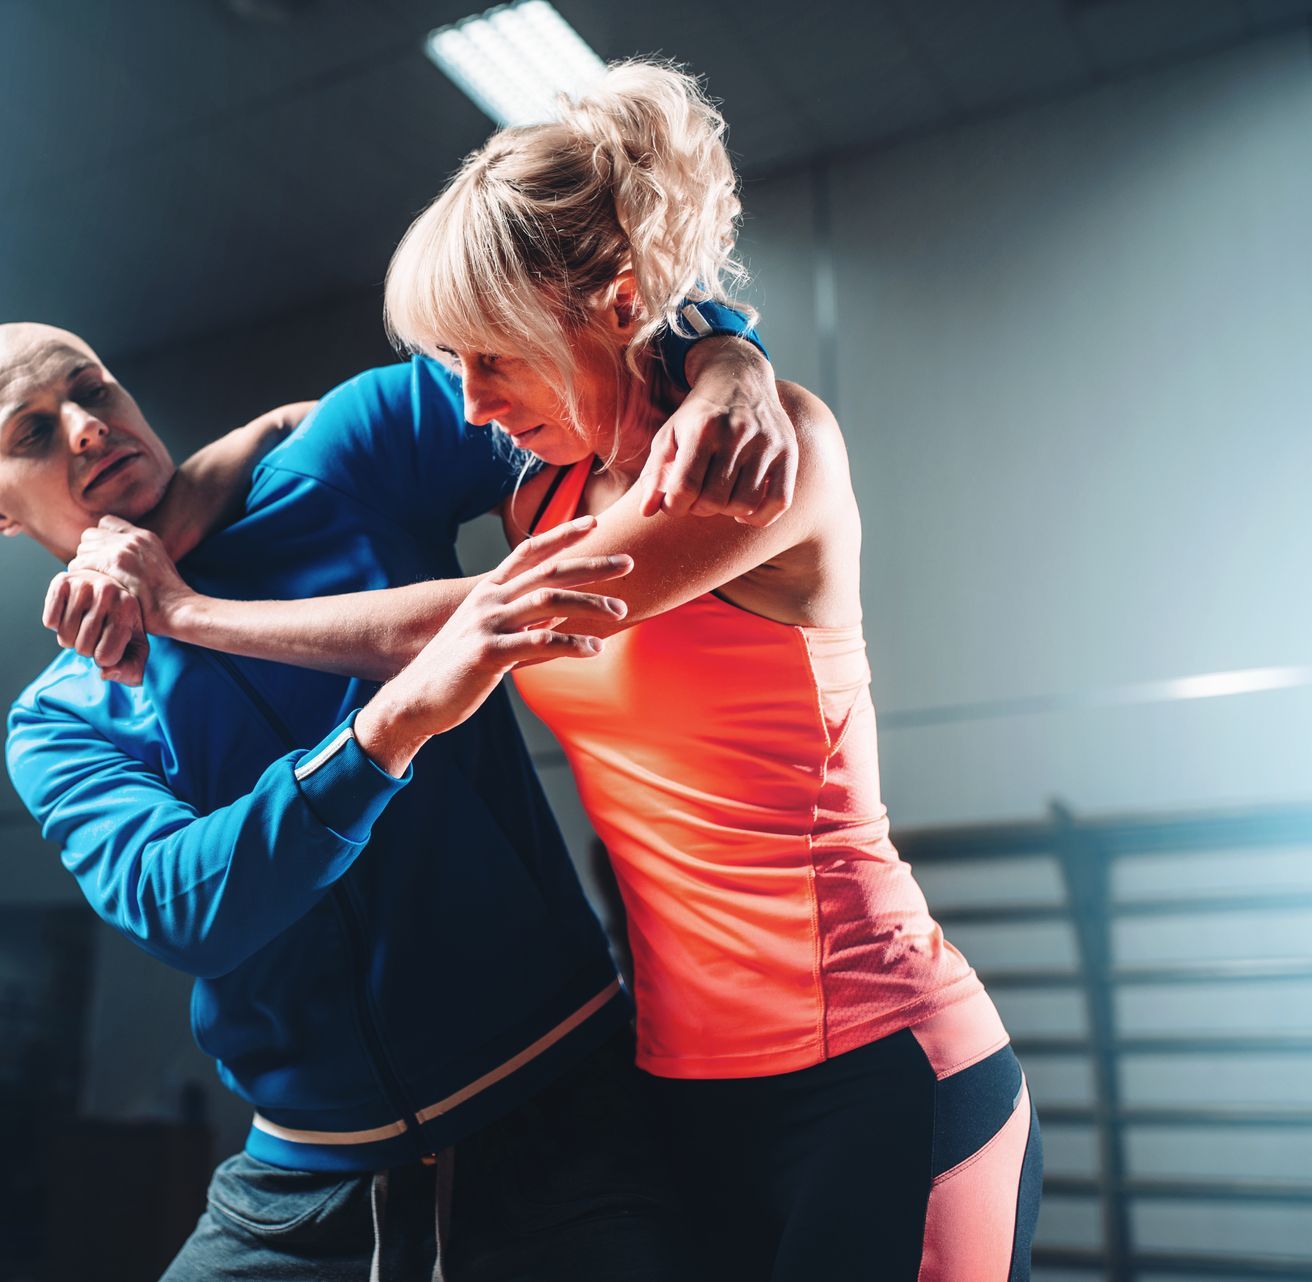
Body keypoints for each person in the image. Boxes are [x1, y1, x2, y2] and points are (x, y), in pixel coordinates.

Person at [60, 60, 1042, 1281]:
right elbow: (302, 443)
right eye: (452, 364)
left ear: (616, 303)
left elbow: (475, 622)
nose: (469, 402)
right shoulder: (542, 486)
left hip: (872, 1065)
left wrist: (191, 613)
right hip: (678, 1078)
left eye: (493, 359)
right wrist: (151, 533)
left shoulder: (758, 462)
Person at [0, 317, 794, 1279]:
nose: (86, 427)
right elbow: (187, 909)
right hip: (302, 1185)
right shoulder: (58, 721)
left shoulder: (341, 453)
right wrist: (392, 727)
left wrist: (730, 363)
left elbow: (590, 347)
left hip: (568, 1119)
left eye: (91, 388)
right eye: (34, 433)